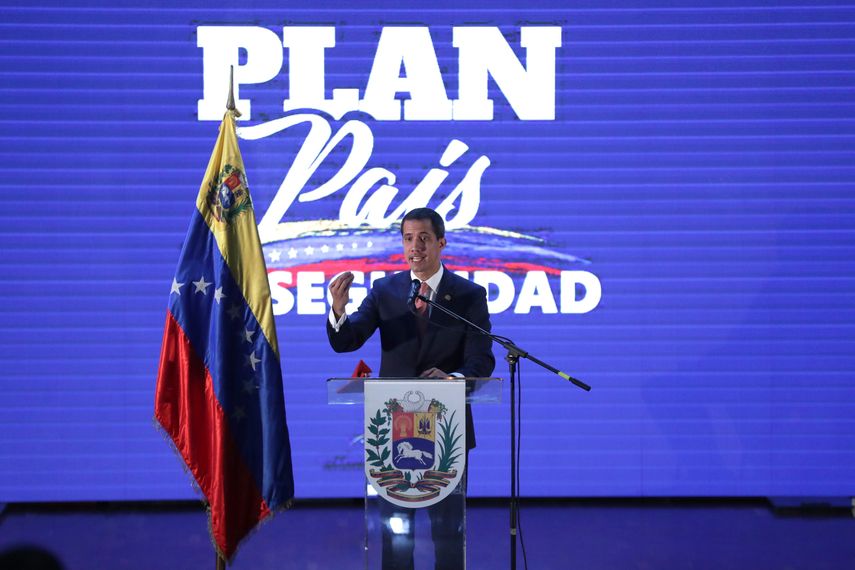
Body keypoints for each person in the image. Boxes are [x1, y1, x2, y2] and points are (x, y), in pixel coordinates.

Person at [326, 207, 495, 570]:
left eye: (423, 238)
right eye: (408, 238)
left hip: (446, 429)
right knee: (397, 534)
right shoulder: (385, 290)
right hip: (393, 430)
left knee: (447, 532)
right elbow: (348, 340)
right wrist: (338, 311)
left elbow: (482, 360)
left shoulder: (468, 295)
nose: (414, 246)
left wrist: (453, 379)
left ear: (441, 243)